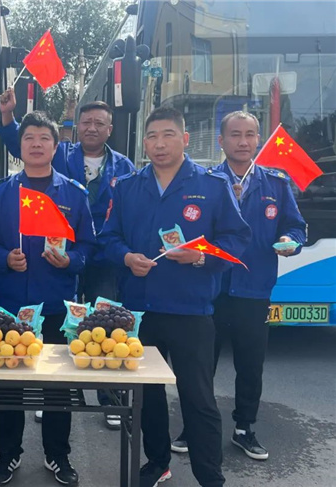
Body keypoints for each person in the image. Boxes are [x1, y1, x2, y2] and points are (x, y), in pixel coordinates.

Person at [99, 106, 251, 487]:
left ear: (184, 139)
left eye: (168, 135)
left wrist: (200, 257)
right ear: (144, 143)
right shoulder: (128, 186)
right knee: (147, 397)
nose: (160, 144)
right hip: (140, 311)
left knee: (198, 398)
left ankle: (210, 476)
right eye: (152, 136)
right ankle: (157, 462)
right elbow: (109, 238)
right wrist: (126, 257)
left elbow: (237, 240)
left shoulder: (212, 186)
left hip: (191, 311)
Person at [0, 87, 135, 429]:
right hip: (50, 262)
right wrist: (7, 116)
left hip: (102, 257)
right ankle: (48, 400)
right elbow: (25, 141)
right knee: (47, 341)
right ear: (76, 127)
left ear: (109, 129)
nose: (92, 128)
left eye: (99, 123)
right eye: (86, 122)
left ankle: (109, 396)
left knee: (104, 325)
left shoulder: (124, 166)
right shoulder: (63, 155)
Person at [170, 111, 306, 461]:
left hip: (254, 289)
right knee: (201, 365)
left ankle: (245, 427)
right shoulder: (207, 182)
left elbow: (295, 226)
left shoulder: (276, 183)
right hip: (211, 288)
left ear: (258, 139)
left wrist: (290, 241)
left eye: (249, 134)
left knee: (250, 365)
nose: (243, 142)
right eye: (235, 135)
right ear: (221, 141)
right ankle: (194, 426)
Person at [0, 111, 96, 486]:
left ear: (55, 146)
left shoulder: (74, 194)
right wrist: (4, 258)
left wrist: (70, 261)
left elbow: (88, 247)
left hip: (56, 304)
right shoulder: (1, 194)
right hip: (11, 306)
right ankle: (7, 454)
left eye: (44, 138)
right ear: (20, 146)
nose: (36, 144)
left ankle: (57, 455)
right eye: (29, 138)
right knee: (9, 387)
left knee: (57, 388)